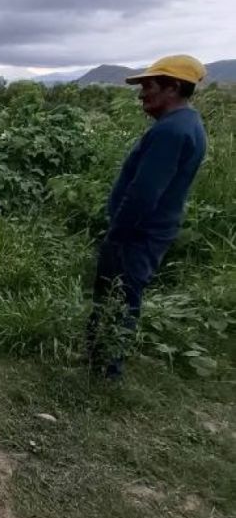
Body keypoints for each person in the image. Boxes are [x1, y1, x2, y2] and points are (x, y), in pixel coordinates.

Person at [86, 55, 207, 379]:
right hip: (147, 232)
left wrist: (118, 231)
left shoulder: (171, 132)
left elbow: (144, 192)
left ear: (174, 88)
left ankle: (104, 371)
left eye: (149, 86)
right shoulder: (185, 125)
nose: (142, 95)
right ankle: (102, 362)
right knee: (122, 296)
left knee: (119, 298)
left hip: (136, 234)